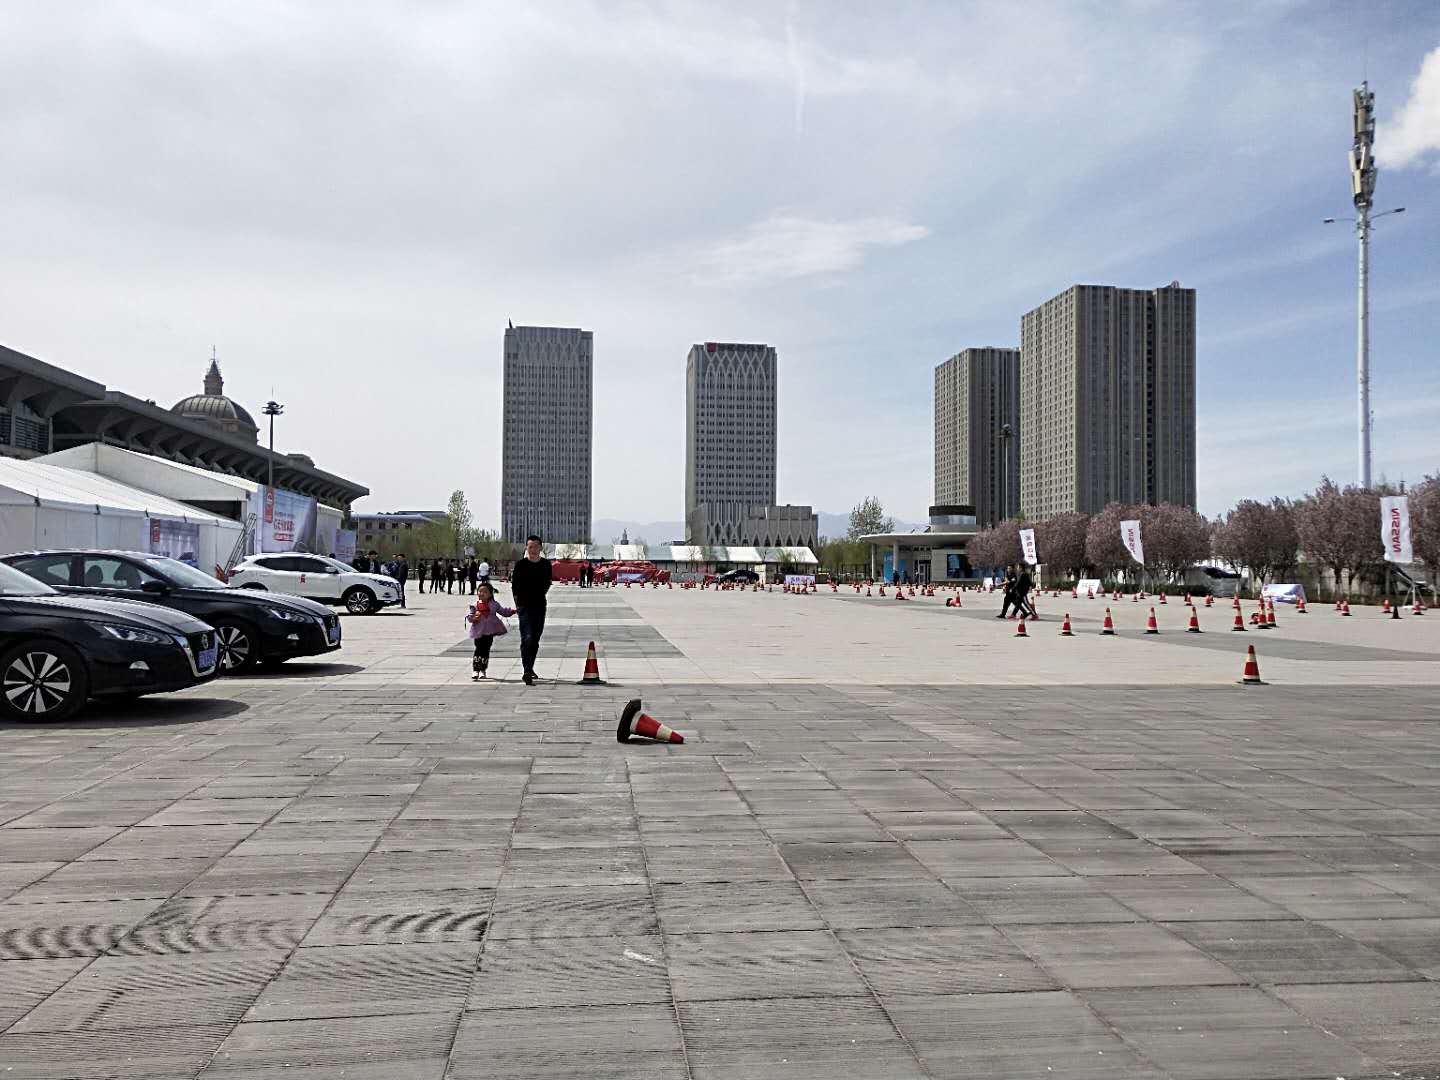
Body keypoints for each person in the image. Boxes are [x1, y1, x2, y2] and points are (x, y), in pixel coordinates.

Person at [511, 534, 552, 686]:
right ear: (526, 548)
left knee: (535, 638)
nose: (533, 550)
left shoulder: (546, 565)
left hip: (539, 605)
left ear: (540, 548)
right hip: (524, 606)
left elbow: (547, 583)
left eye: (536, 547)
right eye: (530, 547)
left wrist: (538, 593)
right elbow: (515, 586)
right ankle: (527, 670)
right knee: (526, 637)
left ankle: (530, 667)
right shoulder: (521, 565)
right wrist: (518, 604)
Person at [466, 581, 514, 680]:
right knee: (478, 649)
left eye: (485, 592)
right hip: (479, 632)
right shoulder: (474, 605)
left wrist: (513, 611)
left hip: (489, 632)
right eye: (480, 591)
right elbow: (470, 617)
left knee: (486, 650)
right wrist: (474, 617)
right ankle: (476, 670)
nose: (481, 593)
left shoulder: (494, 604)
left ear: (490, 594)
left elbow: (503, 611)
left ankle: (483, 670)